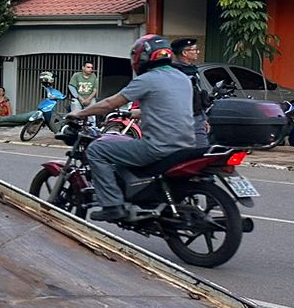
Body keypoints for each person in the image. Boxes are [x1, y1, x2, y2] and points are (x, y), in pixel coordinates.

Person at [72, 35, 195, 222]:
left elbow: (109, 104)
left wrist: (79, 113)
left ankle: (112, 205)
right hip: (186, 146)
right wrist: (134, 114)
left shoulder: (146, 79)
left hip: (157, 148)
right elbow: (166, 108)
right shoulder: (182, 78)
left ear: (142, 57)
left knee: (97, 149)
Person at [169, 37, 209, 148]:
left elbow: (198, 96)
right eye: (194, 50)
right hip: (180, 119)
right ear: (185, 53)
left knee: (201, 150)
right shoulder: (173, 72)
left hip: (196, 116)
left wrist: (203, 119)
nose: (197, 52)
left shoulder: (193, 69)